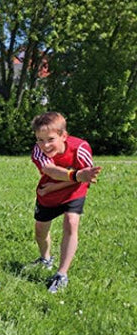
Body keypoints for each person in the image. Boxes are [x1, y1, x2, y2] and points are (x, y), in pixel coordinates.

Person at [29, 111, 101, 293]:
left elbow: (86, 179)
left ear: (64, 135)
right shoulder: (38, 151)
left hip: (73, 192)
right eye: (39, 139)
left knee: (71, 222)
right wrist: (73, 176)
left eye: (50, 139)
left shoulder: (81, 148)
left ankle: (62, 274)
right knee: (40, 231)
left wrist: (72, 180)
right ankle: (45, 258)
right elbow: (51, 170)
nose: (45, 145)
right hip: (48, 194)